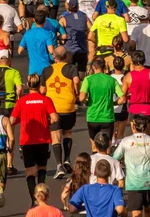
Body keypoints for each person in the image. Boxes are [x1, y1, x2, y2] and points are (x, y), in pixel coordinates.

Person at [11, 74, 59, 204]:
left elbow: (12, 120)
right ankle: (42, 197)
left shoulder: (21, 101)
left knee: (30, 172)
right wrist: (46, 123)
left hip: (27, 141)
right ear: (39, 85)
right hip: (43, 140)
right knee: (42, 169)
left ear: (28, 85)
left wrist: (22, 120)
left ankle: (34, 200)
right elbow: (55, 118)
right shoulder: (46, 100)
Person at [40, 46, 80, 178]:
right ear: (66, 56)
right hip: (68, 107)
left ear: (54, 56)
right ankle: (67, 158)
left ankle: (59, 165)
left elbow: (42, 91)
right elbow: (76, 81)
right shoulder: (71, 68)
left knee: (55, 135)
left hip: (53, 108)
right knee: (67, 132)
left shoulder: (46, 70)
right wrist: (76, 92)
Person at [79, 56, 125, 151]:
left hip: (93, 117)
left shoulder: (88, 80)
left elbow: (81, 97)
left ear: (93, 68)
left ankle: (95, 163)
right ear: (104, 68)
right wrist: (114, 103)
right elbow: (123, 99)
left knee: (95, 146)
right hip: (107, 117)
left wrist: (87, 102)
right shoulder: (111, 80)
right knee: (107, 146)